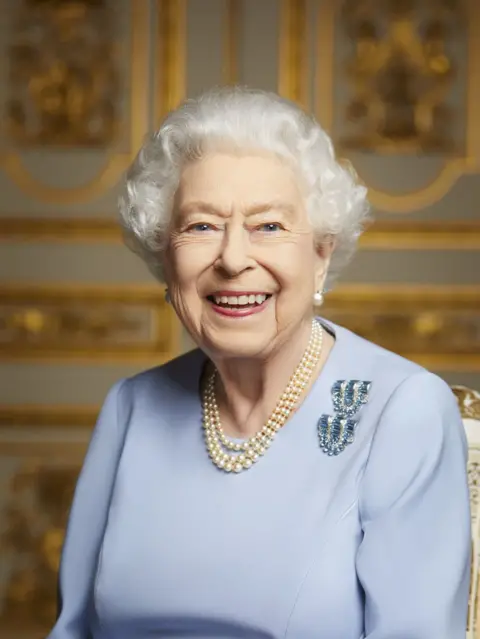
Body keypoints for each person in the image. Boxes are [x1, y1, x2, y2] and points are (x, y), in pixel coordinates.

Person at [47, 87, 471, 639]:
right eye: (201, 226)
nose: (233, 258)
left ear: (320, 254)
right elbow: (74, 629)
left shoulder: (404, 411)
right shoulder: (131, 406)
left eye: (267, 226)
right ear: (164, 256)